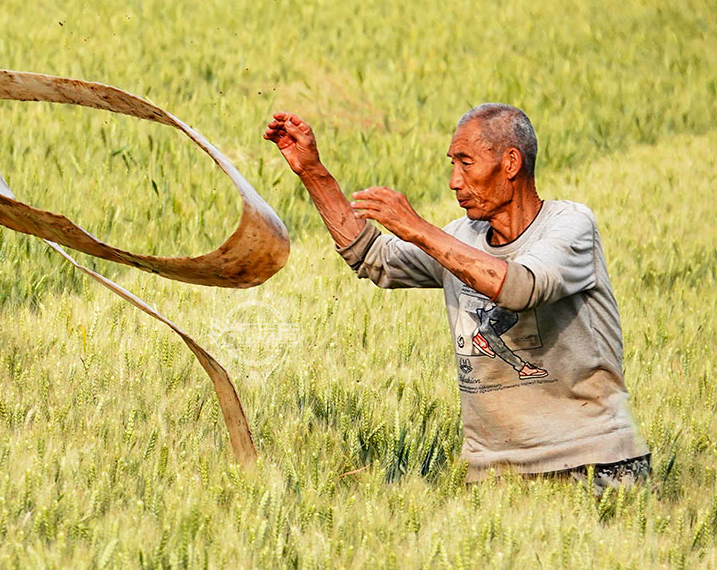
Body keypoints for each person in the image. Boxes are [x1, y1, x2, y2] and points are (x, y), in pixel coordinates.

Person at [265, 104, 649, 489]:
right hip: (496, 475)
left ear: (511, 163)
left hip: (594, 464)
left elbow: (521, 287)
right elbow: (371, 258)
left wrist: (418, 229)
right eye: (452, 164)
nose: (454, 181)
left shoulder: (570, 225)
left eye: (466, 163)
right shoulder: (461, 237)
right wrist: (312, 172)